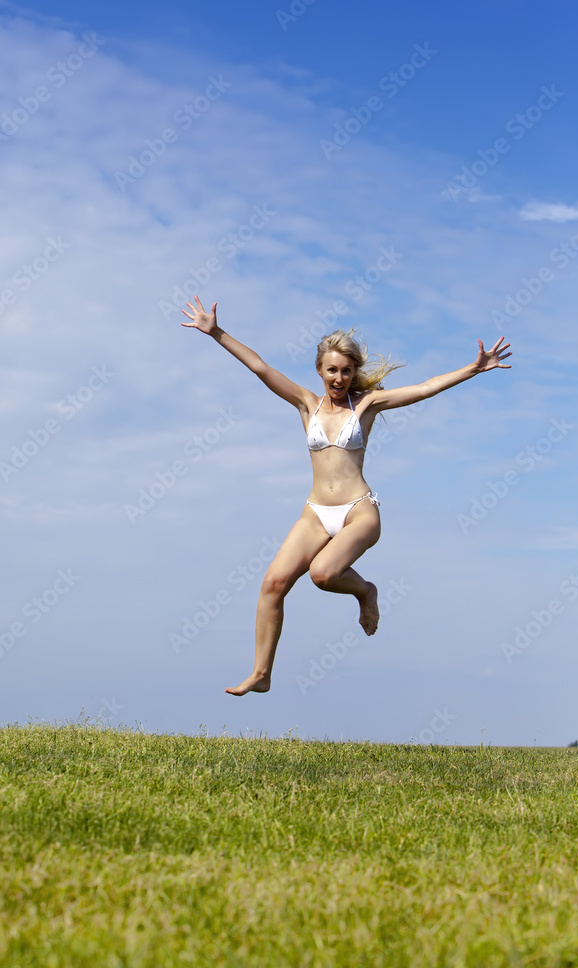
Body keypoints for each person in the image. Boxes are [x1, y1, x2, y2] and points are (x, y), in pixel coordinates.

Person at [181, 295, 512, 696]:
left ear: (355, 373)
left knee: (323, 574)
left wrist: (474, 369)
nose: (338, 378)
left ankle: (366, 590)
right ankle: (262, 673)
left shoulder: (367, 405)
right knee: (272, 584)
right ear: (319, 370)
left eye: (346, 371)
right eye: (331, 370)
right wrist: (216, 332)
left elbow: (425, 389)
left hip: (359, 512)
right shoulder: (306, 403)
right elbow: (260, 366)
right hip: (315, 513)